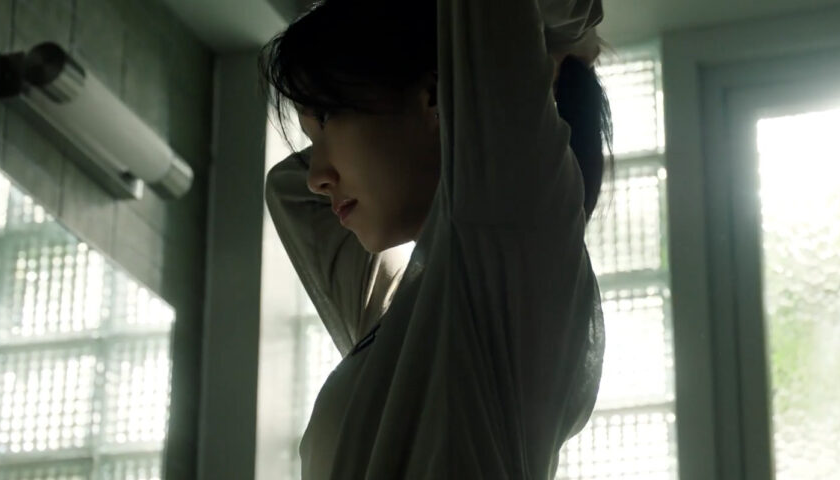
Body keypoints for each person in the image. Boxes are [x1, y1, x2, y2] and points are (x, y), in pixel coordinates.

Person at [260, 0, 611, 477]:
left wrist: (533, 53)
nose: (316, 177)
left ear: (432, 96)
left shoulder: (499, 247)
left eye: (325, 118)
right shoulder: (419, 318)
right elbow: (289, 191)